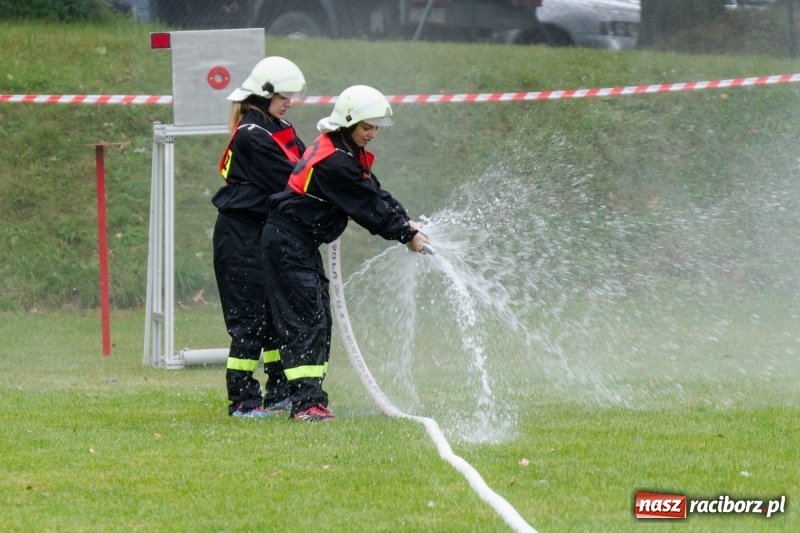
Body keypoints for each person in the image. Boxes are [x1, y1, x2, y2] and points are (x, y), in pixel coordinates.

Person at [262, 85, 430, 421]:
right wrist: (407, 234)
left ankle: (287, 396)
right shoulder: (336, 161)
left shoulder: (342, 150)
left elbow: (374, 192)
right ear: (349, 122)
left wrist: (406, 220)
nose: (373, 134)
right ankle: (306, 404)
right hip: (288, 242)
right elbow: (369, 207)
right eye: (367, 127)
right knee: (307, 320)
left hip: (294, 242)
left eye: (376, 128)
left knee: (313, 317)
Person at [212, 56, 307, 418]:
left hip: (264, 234)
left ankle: (279, 393)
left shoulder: (278, 127)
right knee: (249, 321)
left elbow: (308, 165)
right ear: (264, 95)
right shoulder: (253, 135)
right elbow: (295, 181)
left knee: (272, 317)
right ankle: (243, 400)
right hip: (240, 238)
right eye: (283, 97)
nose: (289, 103)